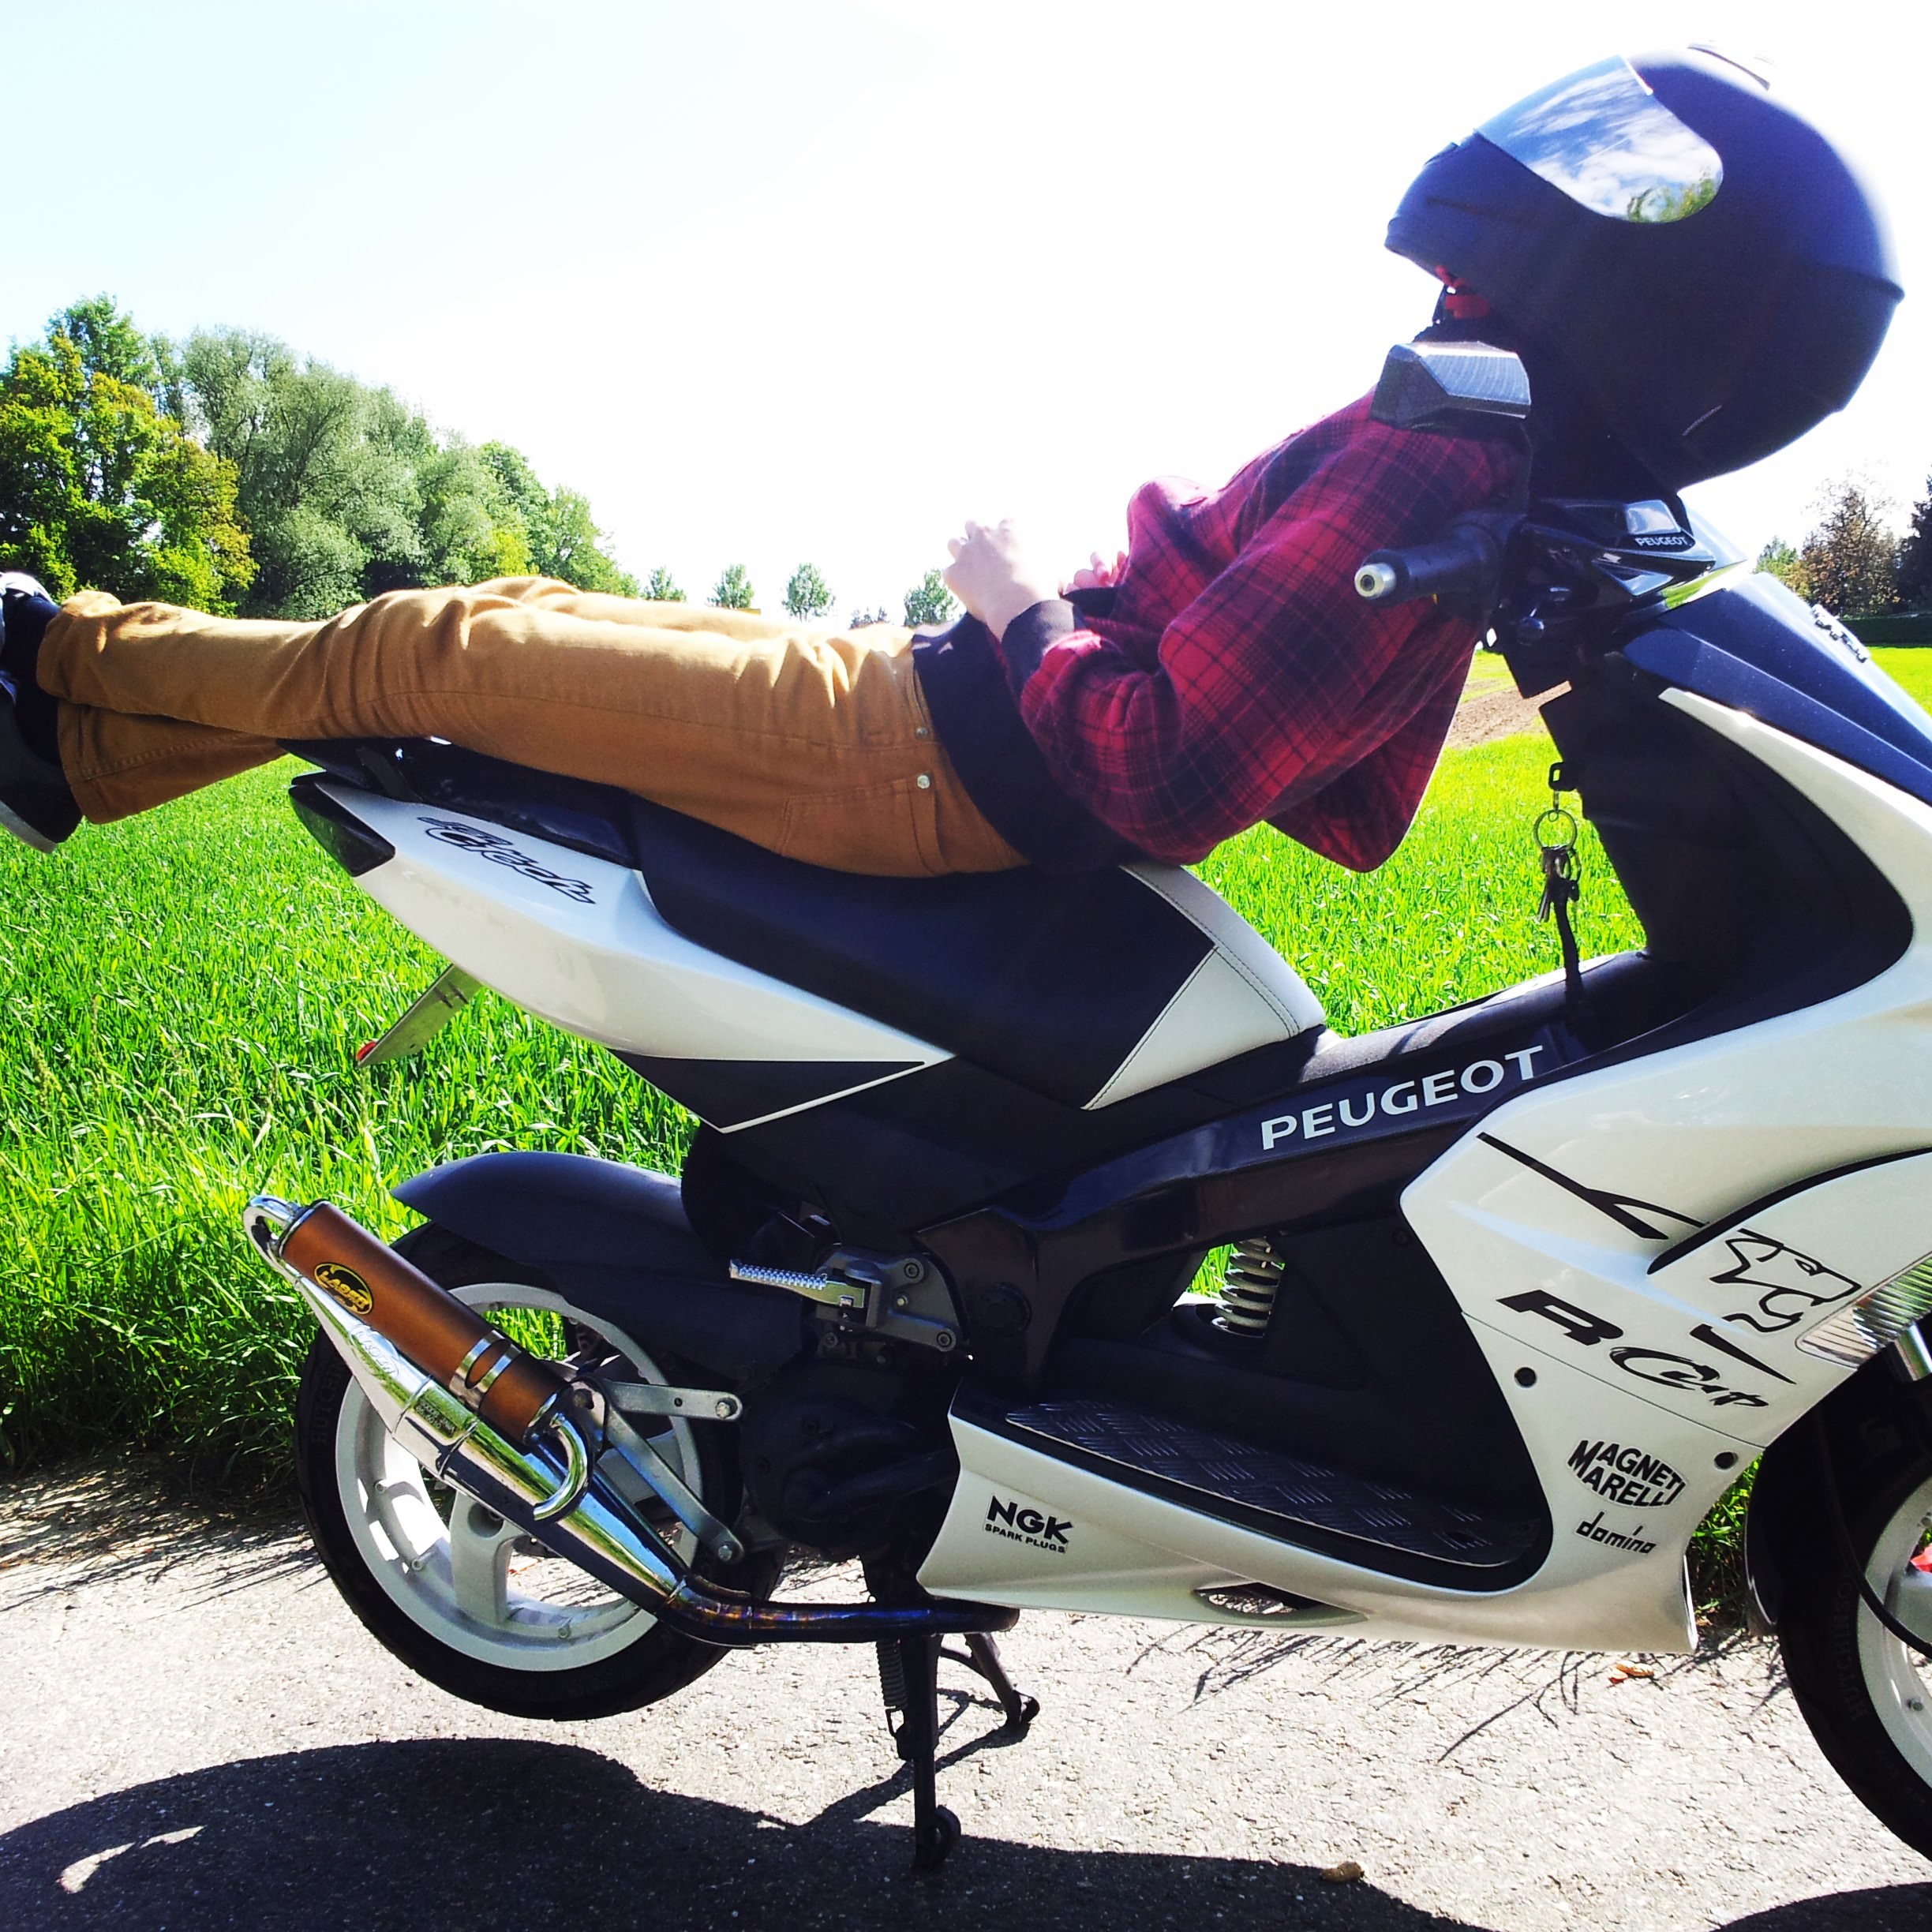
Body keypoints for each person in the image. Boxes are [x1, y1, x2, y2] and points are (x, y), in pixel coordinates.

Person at [0, 49, 1896, 877]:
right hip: (923, 726)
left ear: (1640, 276)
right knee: (504, 610)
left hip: (920, 752)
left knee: (444, 653)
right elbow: (1346, 805)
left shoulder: (1437, 475)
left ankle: (49, 647)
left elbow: (1167, 778)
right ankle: (74, 758)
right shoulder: (1481, 464)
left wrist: (1022, 604)